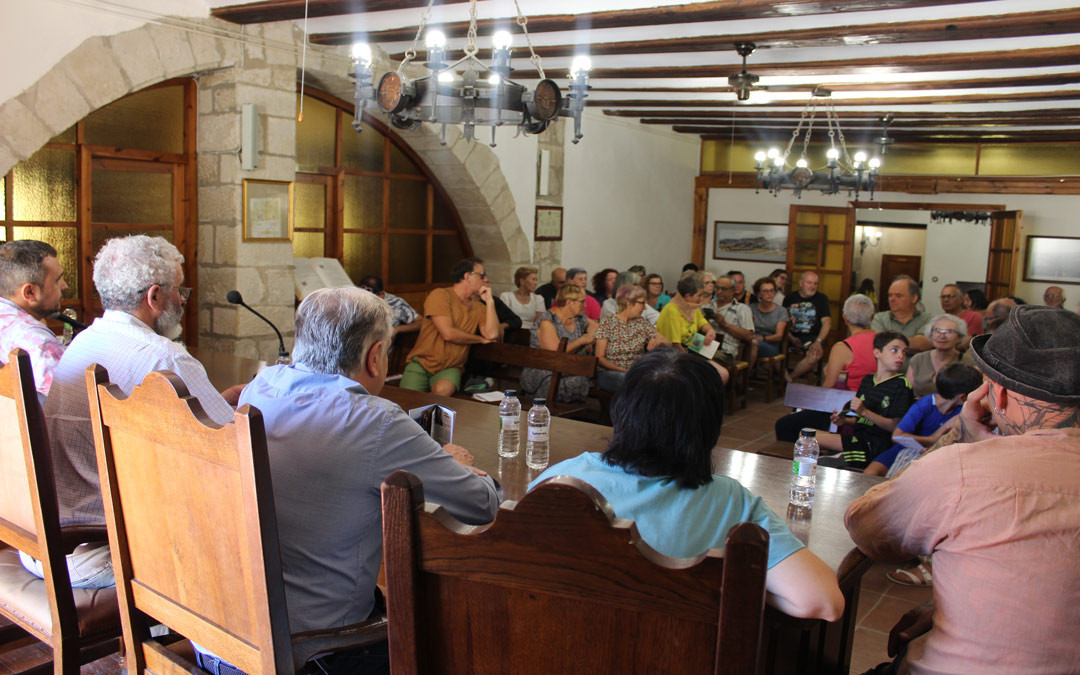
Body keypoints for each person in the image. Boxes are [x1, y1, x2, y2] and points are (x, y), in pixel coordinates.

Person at [195, 287, 499, 675]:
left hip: (217, 632)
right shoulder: (376, 420)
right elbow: (482, 505)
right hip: (310, 653)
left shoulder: (260, 387)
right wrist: (456, 462)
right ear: (375, 357)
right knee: (452, 641)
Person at [847, 305, 1080, 675]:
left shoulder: (963, 471)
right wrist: (941, 606)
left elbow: (867, 528)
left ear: (996, 396)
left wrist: (962, 437)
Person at [530, 349, 844, 622]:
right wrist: (727, 582)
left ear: (621, 410)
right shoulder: (728, 502)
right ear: (708, 425)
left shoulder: (561, 481)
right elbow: (822, 602)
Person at [33, 235, 244, 589]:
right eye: (180, 290)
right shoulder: (166, 357)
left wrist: (216, 400)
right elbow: (233, 455)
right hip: (101, 549)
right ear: (155, 296)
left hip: (50, 540)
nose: (183, 300)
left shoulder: (86, 340)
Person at [774, 294, 877, 443]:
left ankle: (797, 461)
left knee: (785, 424)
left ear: (845, 318)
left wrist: (809, 407)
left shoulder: (843, 347)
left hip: (849, 410)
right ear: (872, 316)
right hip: (875, 406)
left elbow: (828, 387)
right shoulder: (884, 341)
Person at [816, 332, 914, 471]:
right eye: (894, 350)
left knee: (808, 440)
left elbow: (895, 427)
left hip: (875, 444)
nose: (901, 356)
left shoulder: (901, 385)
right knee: (805, 434)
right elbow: (863, 421)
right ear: (877, 352)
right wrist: (845, 421)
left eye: (904, 352)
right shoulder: (868, 380)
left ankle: (837, 460)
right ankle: (837, 459)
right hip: (858, 438)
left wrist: (864, 411)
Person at [864, 364, 982, 478]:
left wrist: (933, 442)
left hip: (937, 455)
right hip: (907, 448)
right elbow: (897, 436)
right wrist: (931, 440)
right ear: (962, 397)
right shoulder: (925, 404)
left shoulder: (963, 410)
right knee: (870, 473)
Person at [401, 257, 499, 396]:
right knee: (406, 401)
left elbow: (491, 334)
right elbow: (448, 333)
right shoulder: (440, 295)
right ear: (467, 276)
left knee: (442, 391)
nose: (486, 279)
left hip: (451, 367)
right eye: (481, 275)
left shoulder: (479, 307)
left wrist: (490, 302)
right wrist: (479, 339)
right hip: (421, 363)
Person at [0, 240, 68, 396]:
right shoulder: (36, 340)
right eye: (58, 280)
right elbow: (73, 403)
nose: (65, 286)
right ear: (29, 292)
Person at [520, 284, 597, 403]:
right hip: (544, 369)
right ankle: (550, 413)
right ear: (569, 302)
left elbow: (596, 327)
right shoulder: (547, 321)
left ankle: (571, 416)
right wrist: (581, 341)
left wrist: (591, 336)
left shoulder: (577, 318)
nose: (585, 305)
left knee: (581, 377)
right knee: (577, 380)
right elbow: (555, 354)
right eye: (582, 302)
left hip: (567, 368)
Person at [594, 284, 669, 392]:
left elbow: (668, 342)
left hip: (637, 373)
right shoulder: (607, 324)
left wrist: (659, 342)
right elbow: (600, 358)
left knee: (661, 381)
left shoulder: (642, 323)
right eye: (642, 303)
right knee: (636, 382)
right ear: (629, 303)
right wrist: (624, 370)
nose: (644, 308)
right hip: (610, 373)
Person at [656, 275, 729, 384]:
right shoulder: (672, 311)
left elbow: (702, 322)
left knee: (723, 372)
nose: (701, 299)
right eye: (699, 295)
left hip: (692, 347)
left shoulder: (691, 306)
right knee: (717, 375)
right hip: (674, 355)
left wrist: (710, 331)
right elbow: (676, 345)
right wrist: (695, 362)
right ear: (688, 296)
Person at [905, 314, 974, 398]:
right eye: (937, 331)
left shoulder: (968, 363)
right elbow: (906, 393)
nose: (942, 336)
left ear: (959, 337)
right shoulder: (918, 359)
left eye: (949, 332)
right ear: (931, 334)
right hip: (920, 408)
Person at [783, 270, 832, 382]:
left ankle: (790, 380)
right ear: (801, 283)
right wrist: (791, 337)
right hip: (790, 336)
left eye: (815, 283)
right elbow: (783, 322)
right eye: (809, 283)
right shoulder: (790, 298)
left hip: (813, 338)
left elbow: (827, 322)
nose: (813, 286)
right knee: (773, 350)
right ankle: (787, 378)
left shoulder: (822, 299)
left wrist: (819, 341)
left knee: (815, 354)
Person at [707, 273, 756, 373]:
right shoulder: (706, 306)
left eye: (724, 289)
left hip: (724, 351)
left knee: (701, 361)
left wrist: (724, 324)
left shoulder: (742, 309)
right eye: (717, 288)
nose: (719, 292)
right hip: (702, 346)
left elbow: (749, 336)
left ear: (733, 290)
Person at [871, 276, 932, 353]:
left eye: (898, 296)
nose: (892, 299)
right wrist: (910, 343)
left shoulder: (927, 319)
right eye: (890, 295)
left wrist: (889, 342)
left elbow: (922, 344)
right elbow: (879, 344)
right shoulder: (879, 318)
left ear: (914, 298)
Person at [749, 276, 787, 374]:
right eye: (765, 291)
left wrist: (761, 338)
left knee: (753, 343)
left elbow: (779, 336)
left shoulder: (781, 311)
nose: (769, 294)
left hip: (771, 345)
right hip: (750, 340)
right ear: (758, 293)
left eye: (772, 291)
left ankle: (744, 377)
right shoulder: (750, 308)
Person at [500, 266, 545, 330]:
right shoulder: (506, 297)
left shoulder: (538, 299)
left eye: (536, 280)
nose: (536, 283)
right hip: (510, 332)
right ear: (522, 281)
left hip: (530, 333)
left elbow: (539, 322)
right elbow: (503, 319)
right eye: (533, 279)